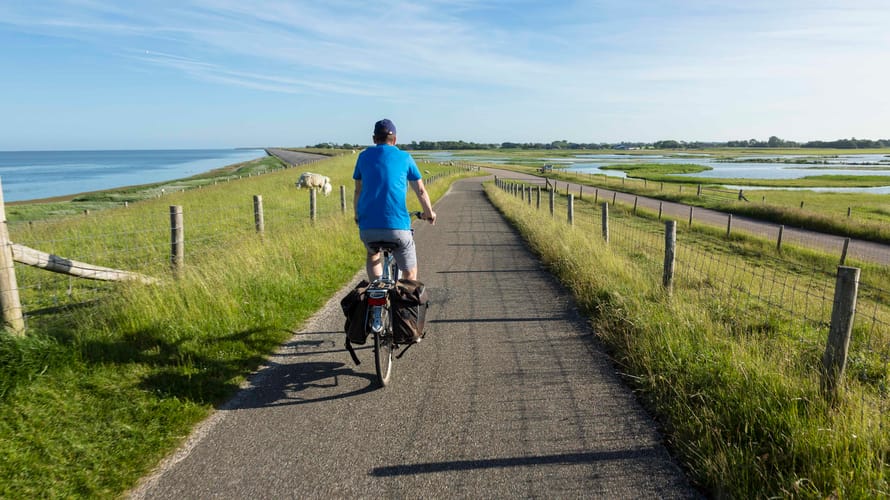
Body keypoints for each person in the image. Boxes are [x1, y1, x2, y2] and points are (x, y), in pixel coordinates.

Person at [353, 118, 436, 282]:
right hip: (398, 228)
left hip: (368, 228)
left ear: (374, 139)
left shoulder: (363, 157)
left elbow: (358, 191)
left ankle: (376, 289)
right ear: (395, 139)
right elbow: (420, 190)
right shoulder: (405, 157)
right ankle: (405, 304)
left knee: (372, 253)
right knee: (410, 274)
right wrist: (429, 213)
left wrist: (357, 216)